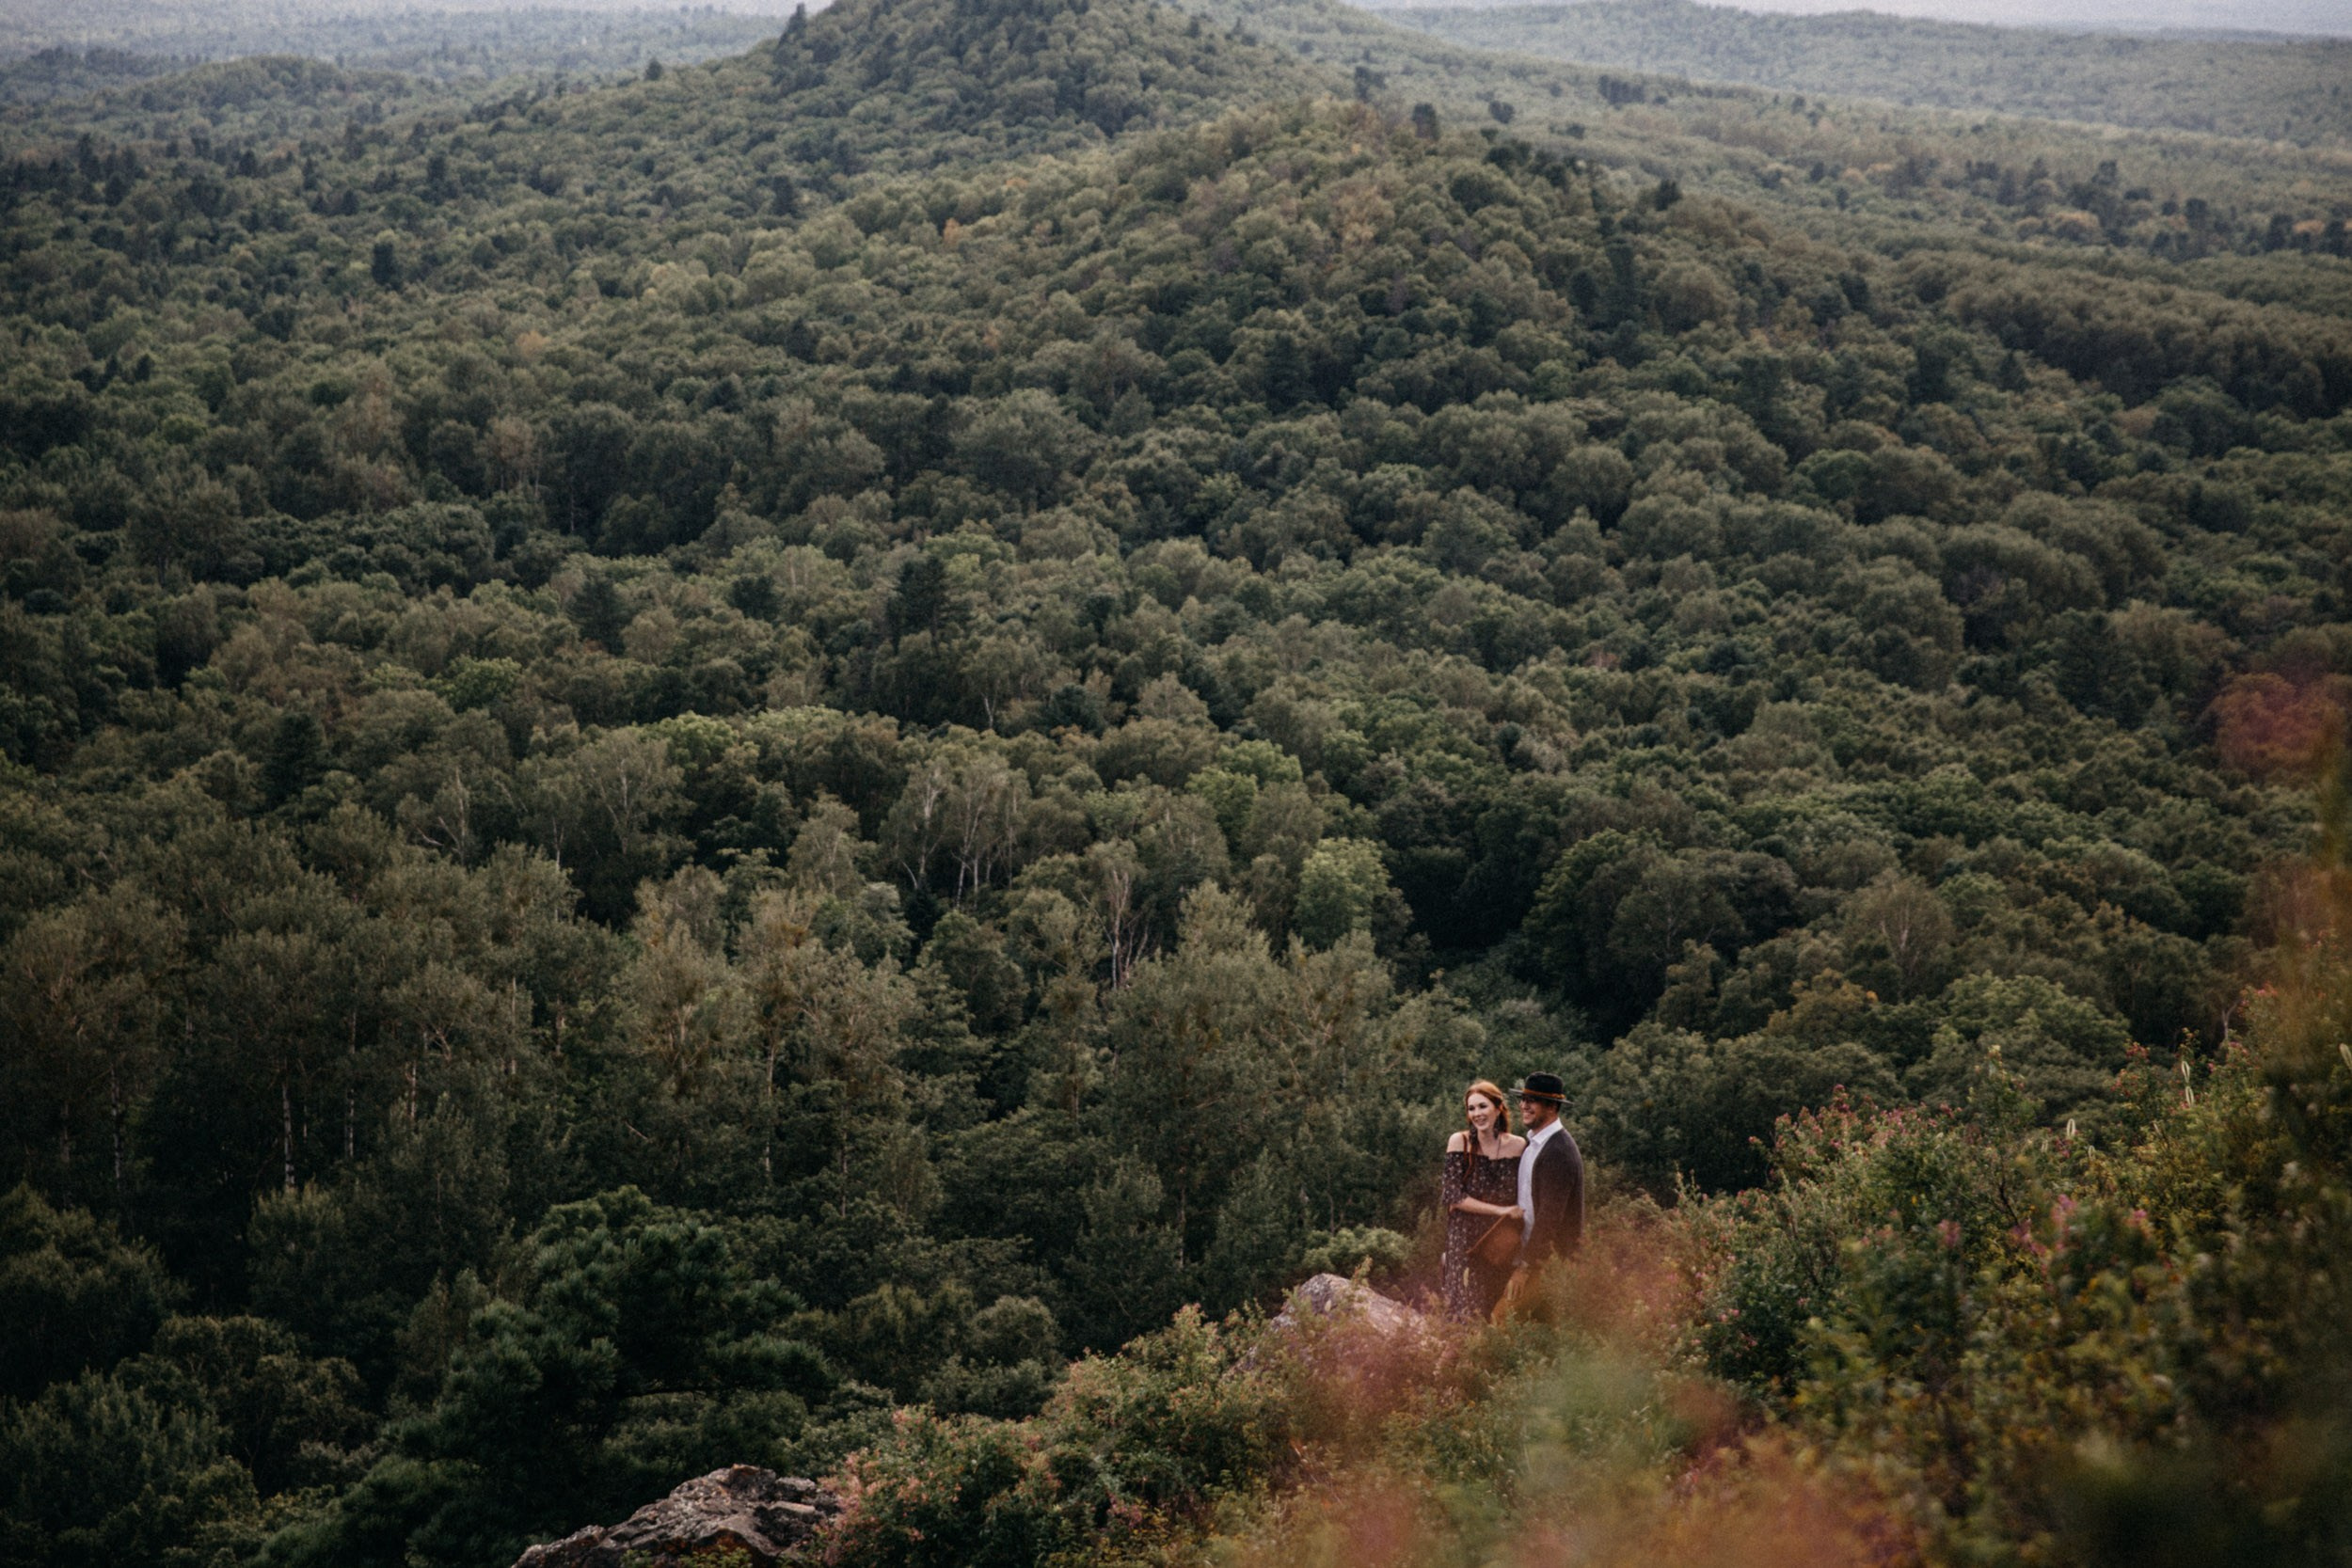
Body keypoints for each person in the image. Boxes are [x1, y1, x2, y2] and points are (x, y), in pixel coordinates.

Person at [1438, 1079, 1526, 1319]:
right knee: (1465, 1311)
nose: (1477, 1114)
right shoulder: (1460, 1142)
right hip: (1465, 1241)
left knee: (1495, 1310)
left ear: (1498, 1108)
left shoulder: (1518, 1146)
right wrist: (1501, 1211)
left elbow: (1525, 1195)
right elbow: (1453, 1197)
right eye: (1471, 1108)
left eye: (1482, 1106)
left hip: (1500, 1242)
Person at [1500, 1072, 1584, 1318]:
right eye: (1523, 1099)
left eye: (1533, 1100)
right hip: (1529, 1257)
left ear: (1552, 1106)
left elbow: (1549, 1218)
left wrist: (1525, 1268)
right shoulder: (1534, 1144)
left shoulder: (1559, 1151)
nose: (1524, 1106)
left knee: (1500, 1322)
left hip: (1546, 1263)